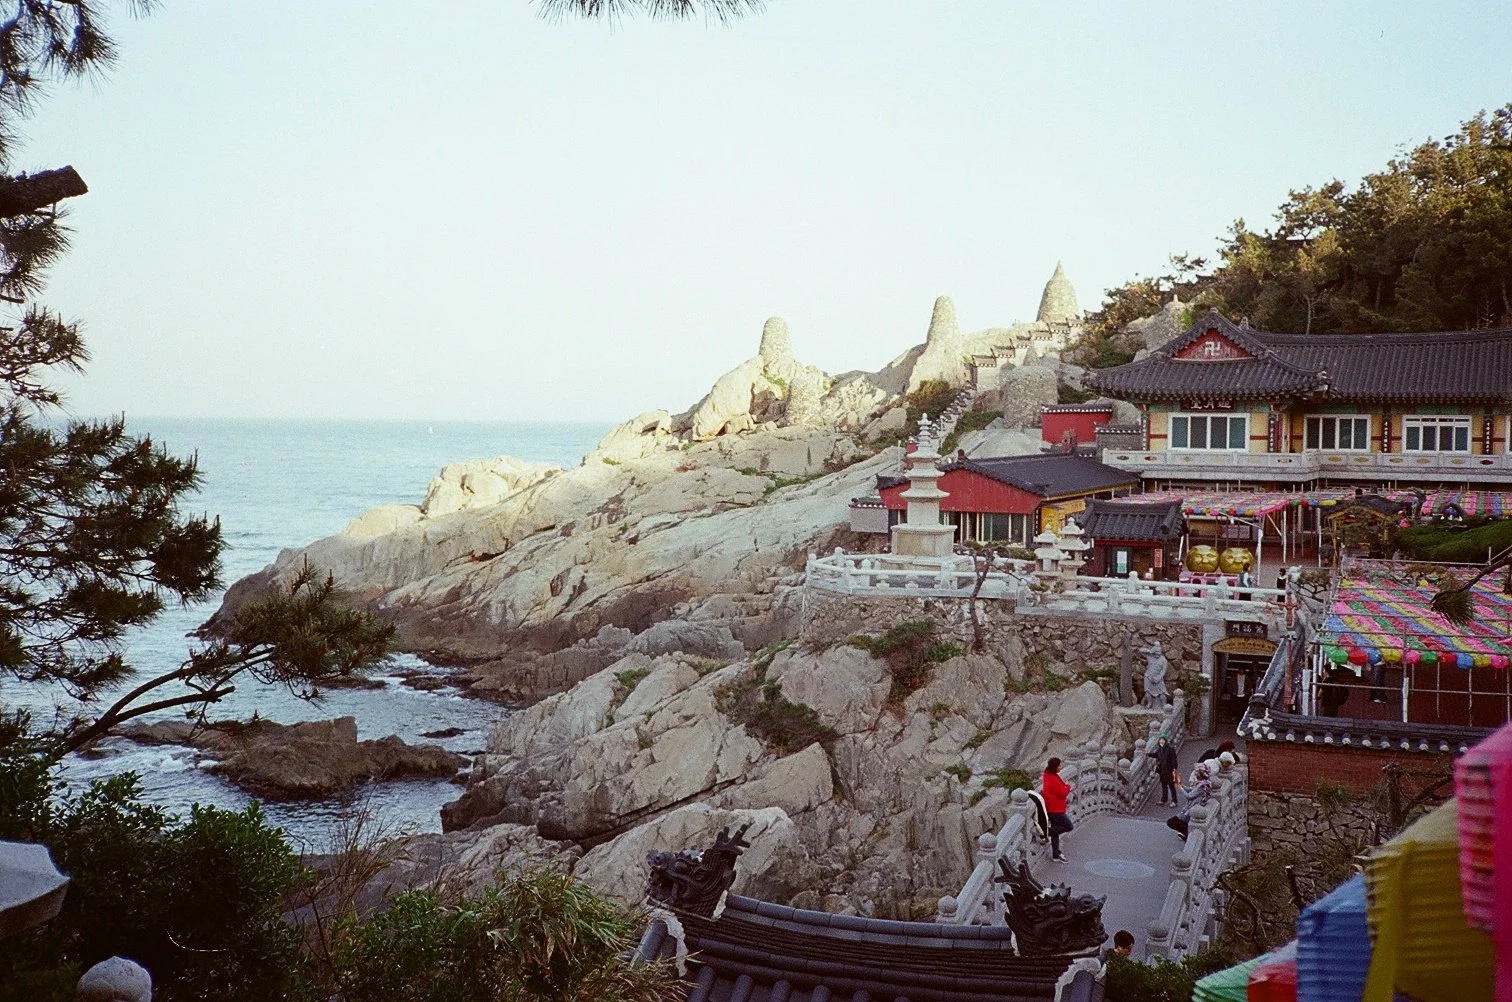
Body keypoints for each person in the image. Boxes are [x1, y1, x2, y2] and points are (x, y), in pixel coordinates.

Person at [1167, 762, 1213, 841]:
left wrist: (1179, 787)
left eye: (1196, 772)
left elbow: (1189, 796)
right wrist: (1180, 784)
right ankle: (1185, 833)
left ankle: (1187, 834)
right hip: (1193, 806)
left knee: (1171, 822)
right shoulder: (1203, 783)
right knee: (1178, 822)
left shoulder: (1202, 785)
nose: (1195, 774)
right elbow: (1191, 791)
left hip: (1193, 807)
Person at [1041, 757, 1073, 863]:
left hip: (1053, 807)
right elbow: (1063, 793)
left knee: (1056, 832)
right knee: (1069, 826)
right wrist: (1068, 786)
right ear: (1054, 767)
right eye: (1059, 765)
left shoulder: (1048, 775)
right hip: (1055, 809)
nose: (1060, 767)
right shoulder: (1053, 779)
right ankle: (1046, 833)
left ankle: (1056, 854)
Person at [1153, 733, 1179, 807]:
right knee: (1164, 785)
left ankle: (1174, 801)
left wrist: (1174, 769)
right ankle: (1163, 800)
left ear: (1166, 741)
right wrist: (1147, 754)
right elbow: (1156, 755)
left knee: (1171, 786)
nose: (1161, 741)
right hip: (1162, 771)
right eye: (1160, 740)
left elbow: (1174, 760)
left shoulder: (1170, 749)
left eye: (1163, 740)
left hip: (1169, 770)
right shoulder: (1160, 749)